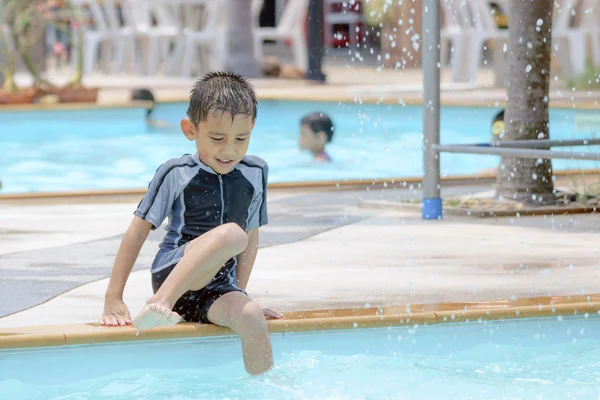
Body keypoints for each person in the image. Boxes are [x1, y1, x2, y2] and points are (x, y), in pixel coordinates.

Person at [100, 72, 282, 375]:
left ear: (252, 129)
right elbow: (137, 232)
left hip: (215, 288)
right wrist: (113, 297)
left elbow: (253, 236)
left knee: (251, 317)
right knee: (232, 235)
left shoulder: (256, 171)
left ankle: (262, 388)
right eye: (217, 138)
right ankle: (160, 304)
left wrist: (239, 295)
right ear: (190, 130)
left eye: (241, 139)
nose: (229, 150)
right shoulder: (177, 172)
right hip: (172, 274)